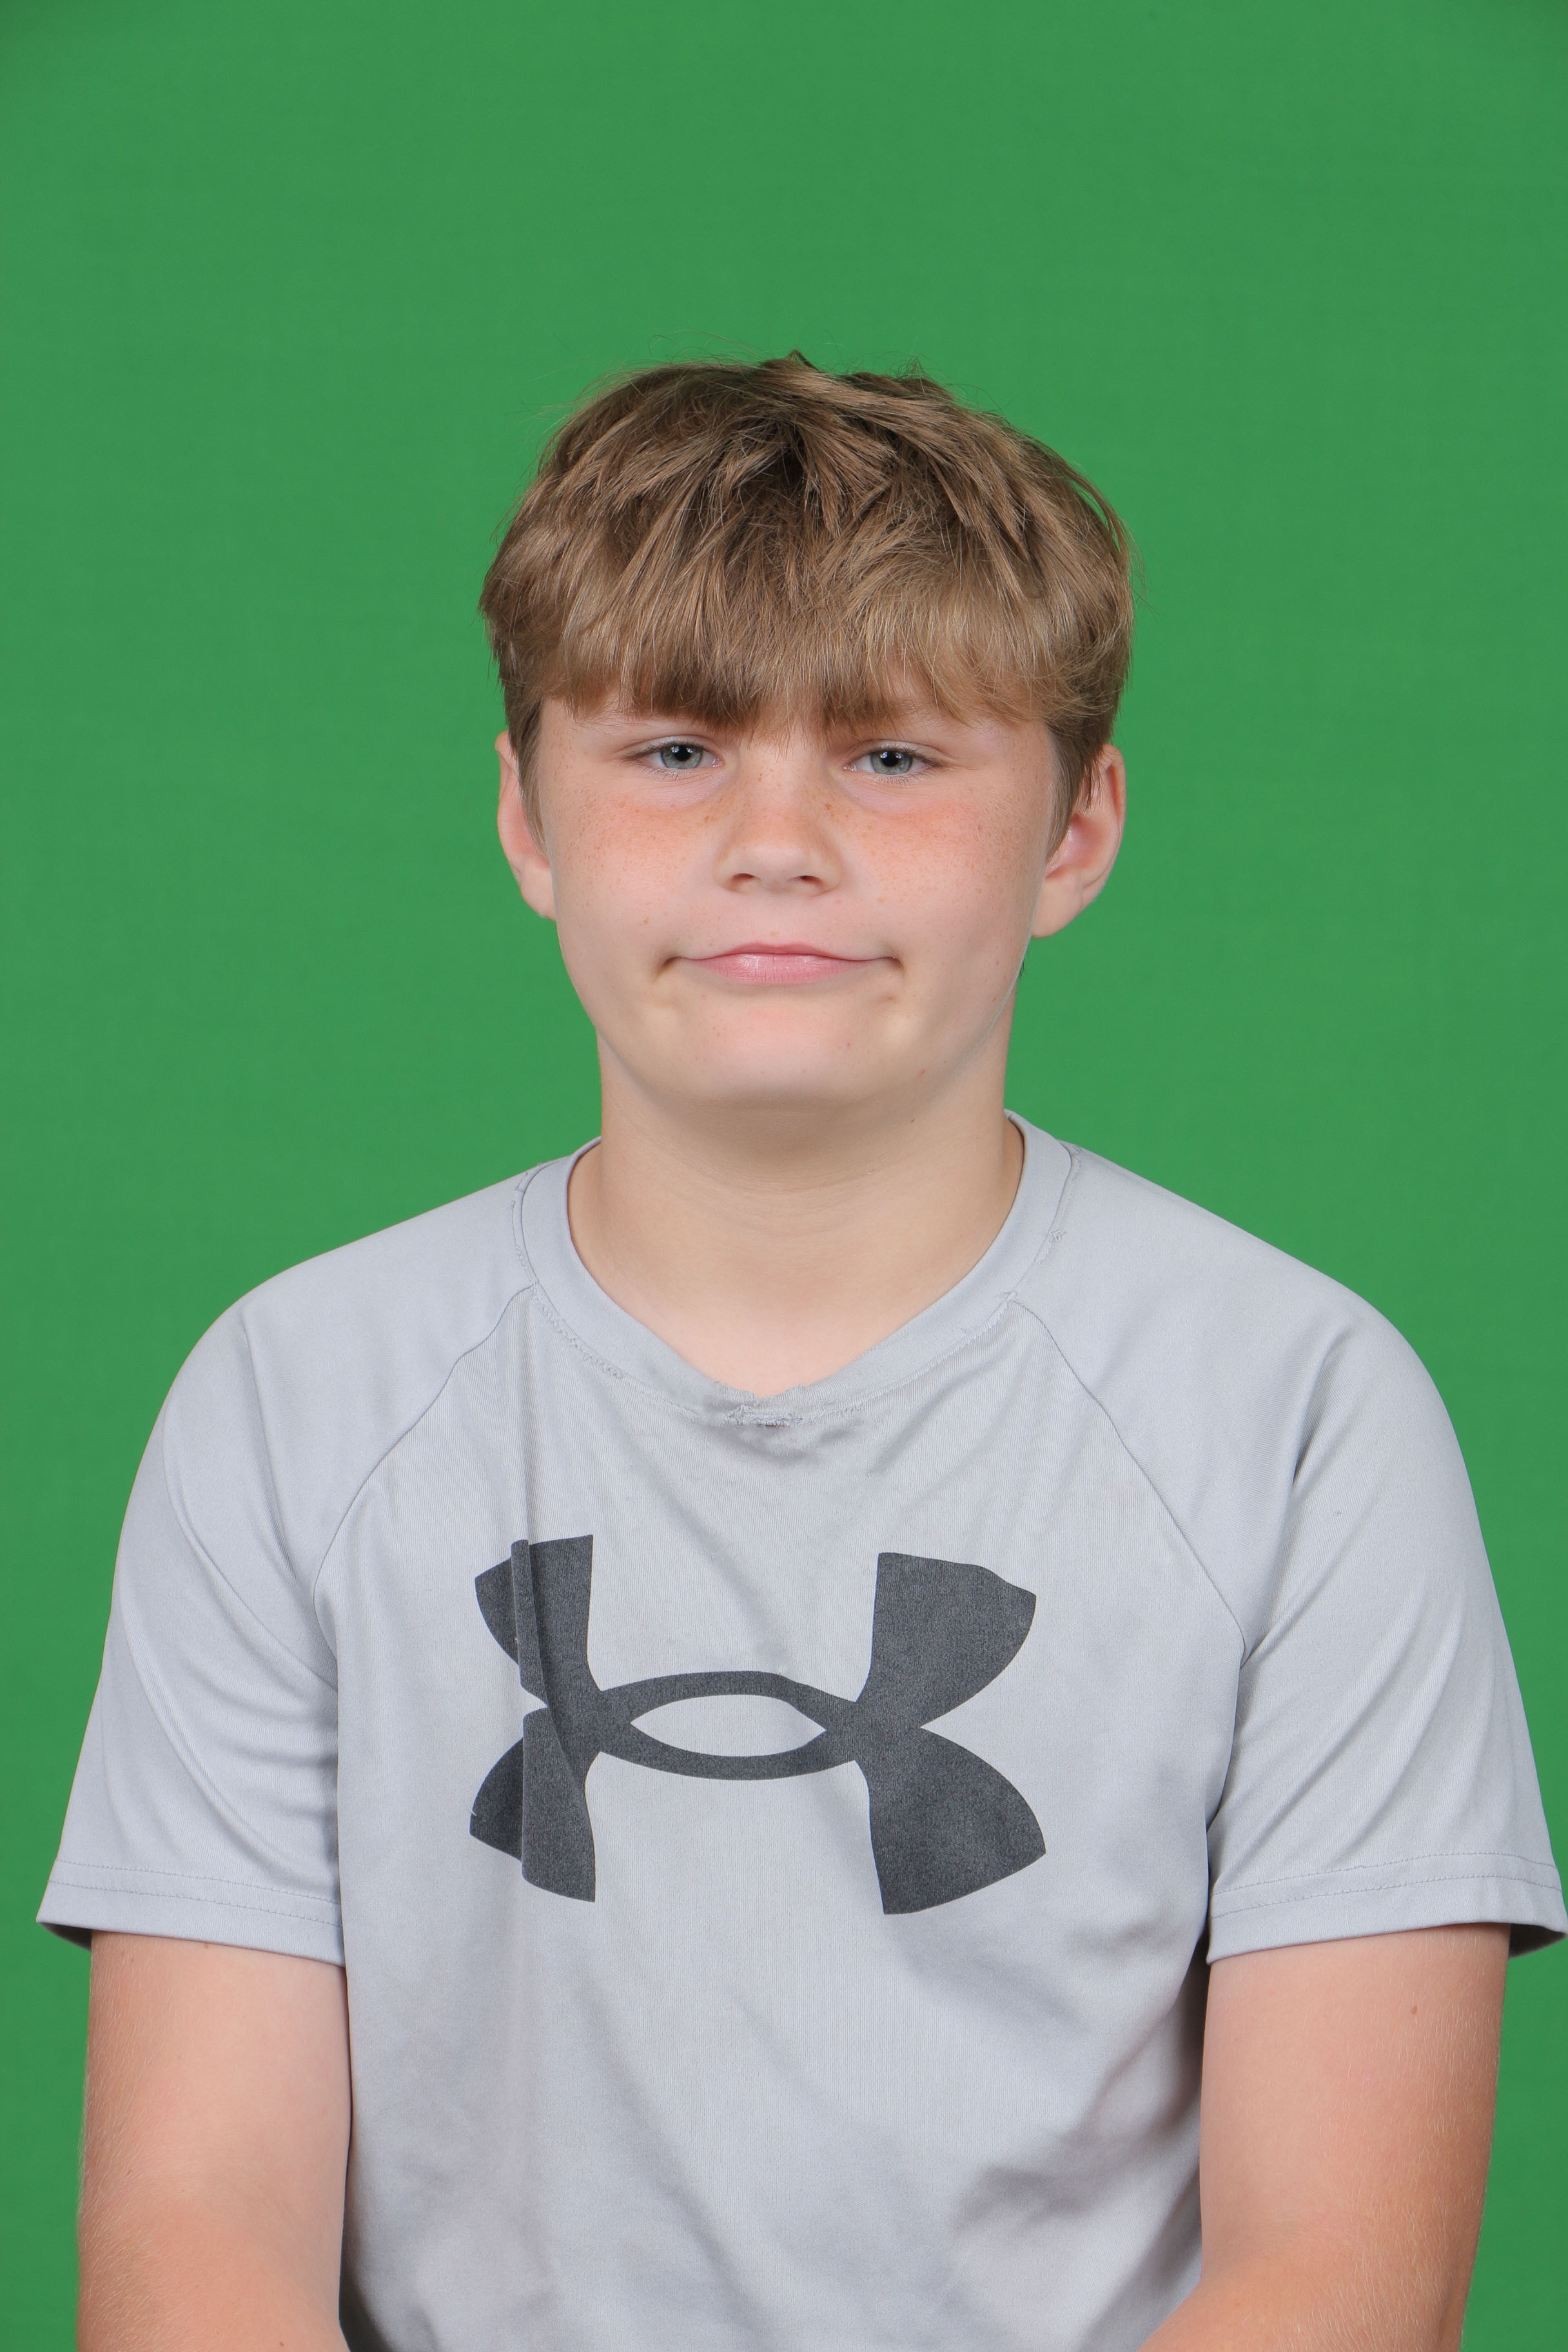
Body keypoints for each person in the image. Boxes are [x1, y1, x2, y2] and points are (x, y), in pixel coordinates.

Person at [43, 356, 1563, 2352]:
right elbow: (197, 2233)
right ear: (523, 816)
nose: (778, 840)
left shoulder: (1298, 1414)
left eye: (894, 756)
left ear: (1077, 829)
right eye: (676, 749)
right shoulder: (293, 1400)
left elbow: (1342, 2277)